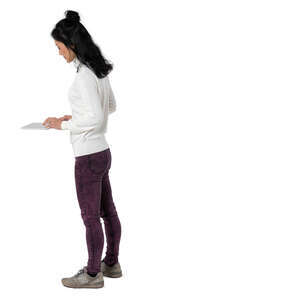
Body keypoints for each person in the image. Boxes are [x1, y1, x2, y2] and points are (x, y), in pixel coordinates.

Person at [42, 10, 122, 289]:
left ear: (72, 45)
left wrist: (62, 125)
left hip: (88, 157)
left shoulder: (84, 77)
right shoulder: (98, 71)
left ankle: (91, 274)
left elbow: (97, 117)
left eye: (60, 47)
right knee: (107, 212)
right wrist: (72, 117)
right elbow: (108, 107)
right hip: (102, 152)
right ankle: (111, 264)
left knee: (90, 218)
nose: (59, 53)